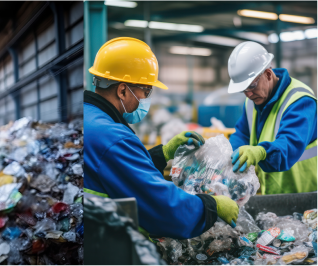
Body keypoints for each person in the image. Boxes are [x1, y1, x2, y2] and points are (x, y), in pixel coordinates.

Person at [84, 37, 238, 239]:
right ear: (122, 90)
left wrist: (163, 153)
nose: (147, 98)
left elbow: (118, 173)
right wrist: (211, 205)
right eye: (146, 90)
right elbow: (164, 209)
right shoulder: (112, 138)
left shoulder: (90, 118)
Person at [226, 41, 318, 195]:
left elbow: (288, 146)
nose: (248, 94)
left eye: (251, 86)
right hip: (274, 193)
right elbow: (242, 134)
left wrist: (261, 152)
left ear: (268, 74)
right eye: (243, 89)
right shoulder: (251, 102)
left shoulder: (300, 101)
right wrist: (229, 156)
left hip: (307, 195)